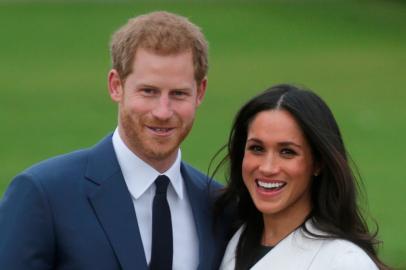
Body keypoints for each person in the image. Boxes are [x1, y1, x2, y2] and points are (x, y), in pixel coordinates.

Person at [0, 11, 232, 270]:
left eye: (178, 94)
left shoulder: (219, 207)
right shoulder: (44, 194)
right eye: (148, 91)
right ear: (116, 86)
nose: (163, 112)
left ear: (200, 93)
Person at [214, 84, 388, 269]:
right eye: (257, 148)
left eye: (287, 152)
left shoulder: (344, 261)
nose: (267, 167)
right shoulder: (232, 238)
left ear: (318, 162)